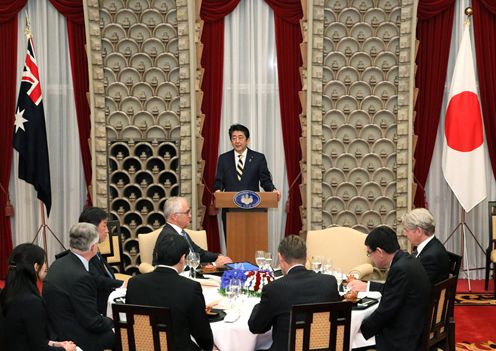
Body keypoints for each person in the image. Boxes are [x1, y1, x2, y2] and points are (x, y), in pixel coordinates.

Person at [248, 235, 340, 351]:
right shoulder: (329, 282)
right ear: (306, 257)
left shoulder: (274, 289)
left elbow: (256, 327)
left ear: (280, 257)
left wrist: (260, 305)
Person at [126, 233, 214, 351]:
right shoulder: (190, 288)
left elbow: (132, 323)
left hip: (143, 347)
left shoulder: (134, 283)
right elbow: (202, 334)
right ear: (183, 258)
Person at [43, 223, 115, 351]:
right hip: (76, 337)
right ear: (93, 247)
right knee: (124, 333)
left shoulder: (57, 263)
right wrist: (111, 320)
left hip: (56, 329)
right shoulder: (81, 277)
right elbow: (93, 323)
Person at [359, 226, 431, 351]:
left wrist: (361, 329)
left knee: (349, 337)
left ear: (380, 252)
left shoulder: (400, 269)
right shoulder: (405, 259)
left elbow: (386, 311)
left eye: (370, 253)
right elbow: (392, 291)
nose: (370, 257)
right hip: (415, 324)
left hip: (404, 337)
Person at [348, 208, 450, 292]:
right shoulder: (430, 247)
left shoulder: (431, 256)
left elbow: (405, 289)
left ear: (418, 231)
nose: (405, 234)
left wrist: (367, 287)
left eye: (407, 230)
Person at [0, 243, 77, 351]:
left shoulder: (6, 293)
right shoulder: (31, 302)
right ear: (36, 267)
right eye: (44, 262)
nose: (46, 266)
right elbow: (39, 348)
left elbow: (26, 336)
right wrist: (66, 350)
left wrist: (56, 344)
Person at [213, 124, 280, 237]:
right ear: (231, 141)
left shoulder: (258, 158)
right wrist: (218, 190)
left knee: (254, 242)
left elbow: (265, 180)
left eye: (240, 137)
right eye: (234, 138)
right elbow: (219, 181)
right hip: (230, 210)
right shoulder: (224, 159)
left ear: (247, 140)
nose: (237, 141)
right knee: (233, 244)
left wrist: (273, 190)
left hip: (253, 209)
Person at [153, 196, 232, 266]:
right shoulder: (170, 237)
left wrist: (219, 257)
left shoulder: (181, 233)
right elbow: (182, 267)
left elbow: (199, 253)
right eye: (187, 212)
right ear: (175, 217)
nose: (190, 216)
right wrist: (213, 265)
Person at [79, 207, 125, 314]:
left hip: (109, 294)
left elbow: (106, 274)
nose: (107, 231)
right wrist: (121, 284)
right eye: (104, 226)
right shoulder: (85, 252)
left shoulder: (94, 247)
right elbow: (97, 279)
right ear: (92, 228)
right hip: (99, 307)